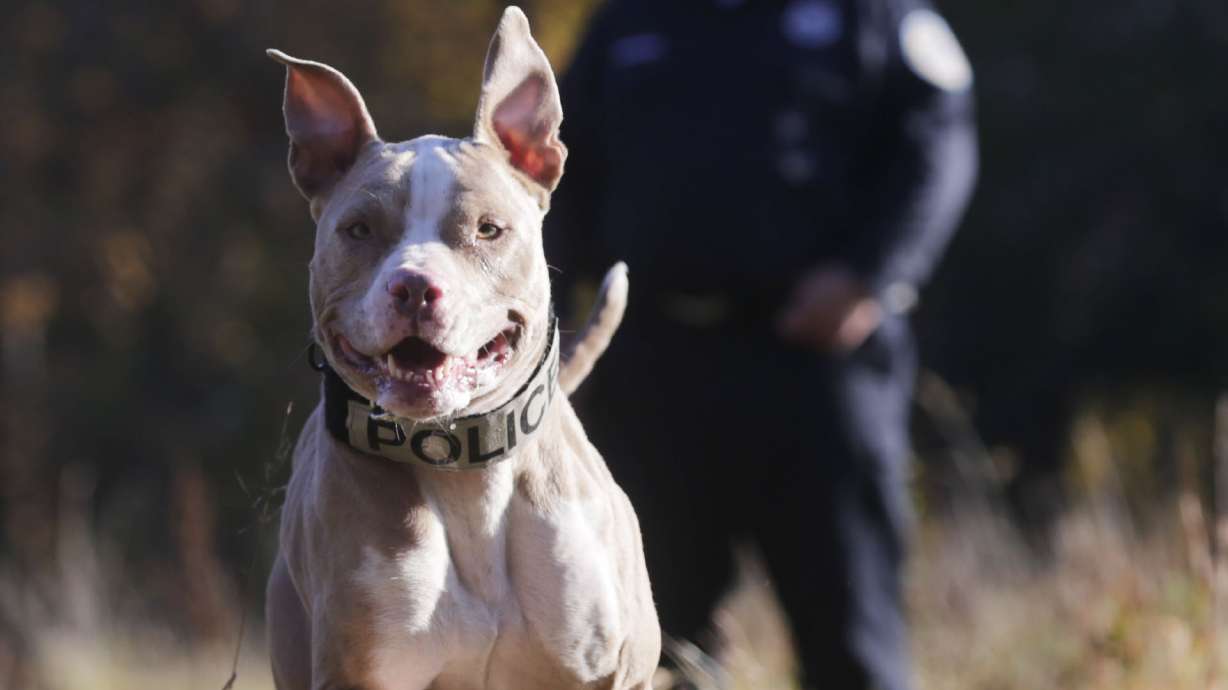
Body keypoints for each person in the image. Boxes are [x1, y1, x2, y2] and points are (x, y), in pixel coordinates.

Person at [546, 1, 977, 688]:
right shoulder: (625, 22)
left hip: (818, 370)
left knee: (853, 645)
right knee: (647, 644)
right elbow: (557, 167)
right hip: (654, 370)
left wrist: (870, 275)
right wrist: (554, 319)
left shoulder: (869, 15)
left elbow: (939, 143)